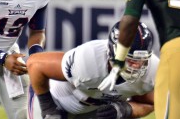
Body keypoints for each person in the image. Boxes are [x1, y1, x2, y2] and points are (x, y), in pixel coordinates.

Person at [27, 21, 159, 119]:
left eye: (142, 60)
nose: (136, 66)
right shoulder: (88, 60)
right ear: (114, 53)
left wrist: (125, 109)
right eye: (131, 59)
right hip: (56, 100)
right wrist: (48, 108)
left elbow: (150, 104)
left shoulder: (151, 71)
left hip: (93, 112)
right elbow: (35, 64)